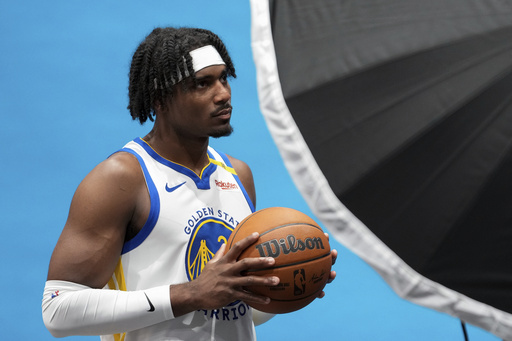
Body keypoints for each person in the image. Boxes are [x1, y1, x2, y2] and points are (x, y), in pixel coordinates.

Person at [42, 27, 336, 340]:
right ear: (160, 98)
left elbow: (233, 311)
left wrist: (287, 283)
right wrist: (190, 293)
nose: (223, 94)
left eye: (224, 78)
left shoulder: (238, 174)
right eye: (202, 83)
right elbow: (58, 310)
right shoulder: (123, 178)